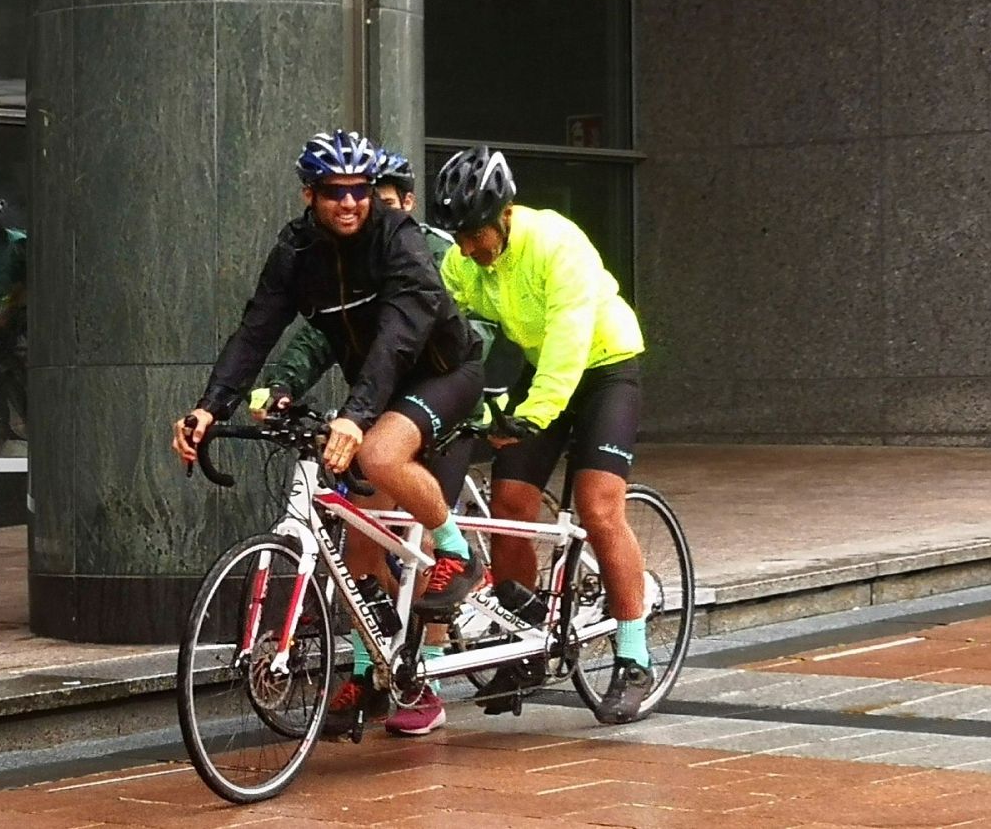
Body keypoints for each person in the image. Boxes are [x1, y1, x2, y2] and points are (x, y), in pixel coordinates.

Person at [172, 130, 487, 737]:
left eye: (360, 191)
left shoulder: (399, 239)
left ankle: (457, 551)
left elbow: (398, 336)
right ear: (309, 194)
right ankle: (375, 675)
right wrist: (212, 406)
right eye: (334, 192)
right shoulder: (297, 251)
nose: (350, 203)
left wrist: (355, 412)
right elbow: (257, 329)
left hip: (442, 375)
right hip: (376, 388)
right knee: (358, 536)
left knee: (376, 453)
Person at [433, 145, 655, 725]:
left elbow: (569, 334)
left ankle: (634, 657)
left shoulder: (556, 241)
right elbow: (451, 333)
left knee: (598, 506)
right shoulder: (464, 261)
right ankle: (524, 636)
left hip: (605, 366)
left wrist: (534, 413)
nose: (467, 247)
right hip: (545, 372)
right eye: (458, 234)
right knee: (510, 502)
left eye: (476, 232)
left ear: (504, 214)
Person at [0, 197, 29, 450]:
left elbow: (23, 283)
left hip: (13, 312)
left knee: (9, 367)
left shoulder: (18, 243)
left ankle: (23, 416)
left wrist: (7, 310)